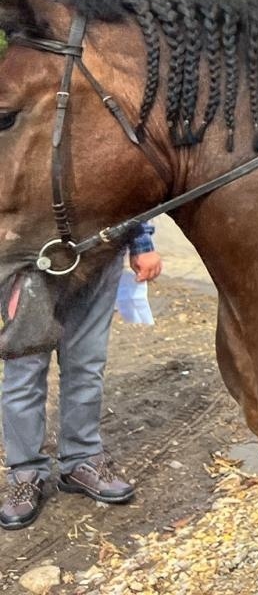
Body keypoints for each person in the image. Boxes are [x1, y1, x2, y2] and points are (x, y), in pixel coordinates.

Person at [1, 223, 161, 529]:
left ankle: (81, 458)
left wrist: (141, 243)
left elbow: (129, 177)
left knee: (87, 363)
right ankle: (25, 472)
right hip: (29, 252)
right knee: (25, 368)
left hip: (100, 248)